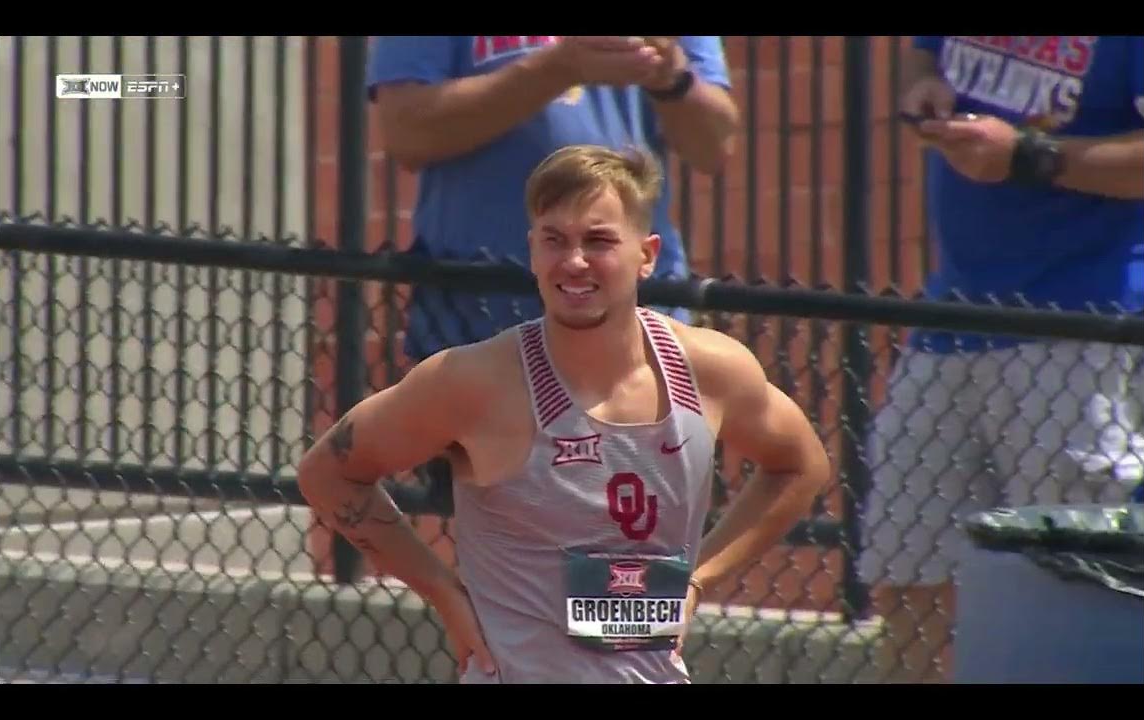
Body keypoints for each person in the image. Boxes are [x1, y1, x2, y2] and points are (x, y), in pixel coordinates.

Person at [296, 145, 831, 683]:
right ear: (532, 251)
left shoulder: (708, 371)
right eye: (555, 240)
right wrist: (444, 594)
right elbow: (330, 471)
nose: (573, 262)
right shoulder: (476, 380)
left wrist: (700, 581)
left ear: (646, 255)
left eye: (598, 241)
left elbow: (800, 465)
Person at [858, 36, 1144, 683]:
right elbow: (921, 55)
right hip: (950, 319)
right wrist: (921, 90)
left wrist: (1029, 156)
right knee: (908, 559)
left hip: (1079, 325)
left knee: (1073, 574)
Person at [365, 35, 740, 361]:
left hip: (635, 313)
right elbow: (408, 133)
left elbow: (713, 147)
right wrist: (560, 67)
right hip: (480, 314)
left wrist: (670, 78)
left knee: (645, 443)